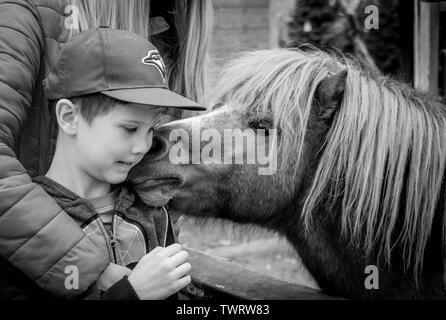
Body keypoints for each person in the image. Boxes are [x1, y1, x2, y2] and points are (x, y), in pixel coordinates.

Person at [0, 0, 213, 299]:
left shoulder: (153, 214)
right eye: (129, 128)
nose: (143, 146)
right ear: (69, 117)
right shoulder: (18, 236)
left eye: (151, 130)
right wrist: (130, 294)